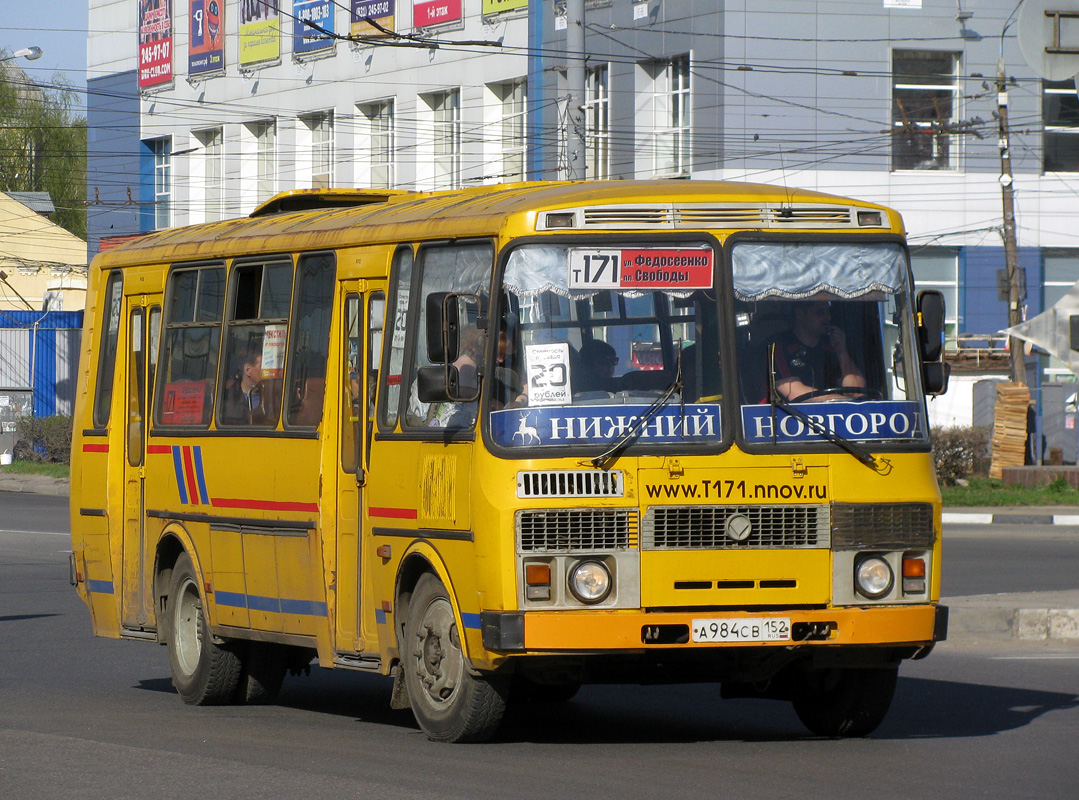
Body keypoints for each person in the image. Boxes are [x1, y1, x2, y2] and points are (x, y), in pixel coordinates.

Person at [771, 301, 866, 402]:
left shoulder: (831, 347)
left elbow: (857, 391)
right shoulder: (779, 347)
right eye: (820, 313)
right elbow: (796, 394)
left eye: (828, 312)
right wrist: (847, 401)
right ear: (800, 314)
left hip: (833, 415)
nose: (828, 318)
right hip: (790, 415)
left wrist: (842, 351)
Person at [221, 347, 264, 424]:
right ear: (248, 370)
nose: (267, 371)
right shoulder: (226, 399)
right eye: (263, 366)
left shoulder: (273, 396)